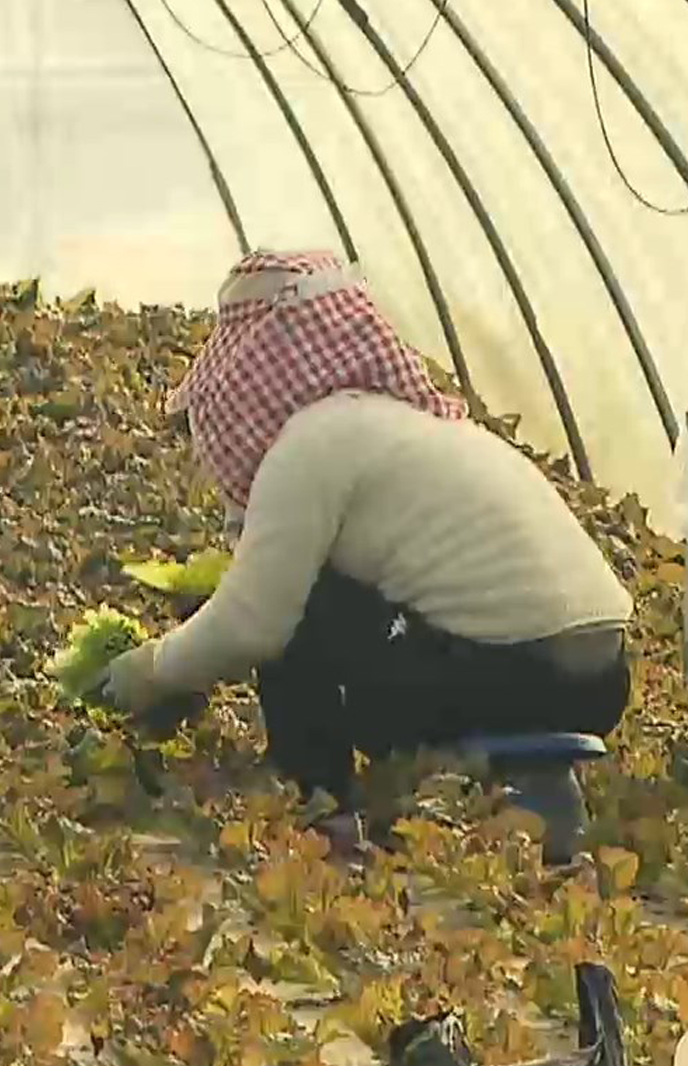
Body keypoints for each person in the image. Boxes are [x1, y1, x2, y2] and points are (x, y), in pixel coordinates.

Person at [99, 251, 635, 854]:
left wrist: (149, 672)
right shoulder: (418, 429)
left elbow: (252, 625)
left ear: (258, 369)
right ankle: (532, 779)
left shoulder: (314, 442)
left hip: (504, 676)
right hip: (603, 678)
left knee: (301, 603)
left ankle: (318, 796)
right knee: (332, 593)